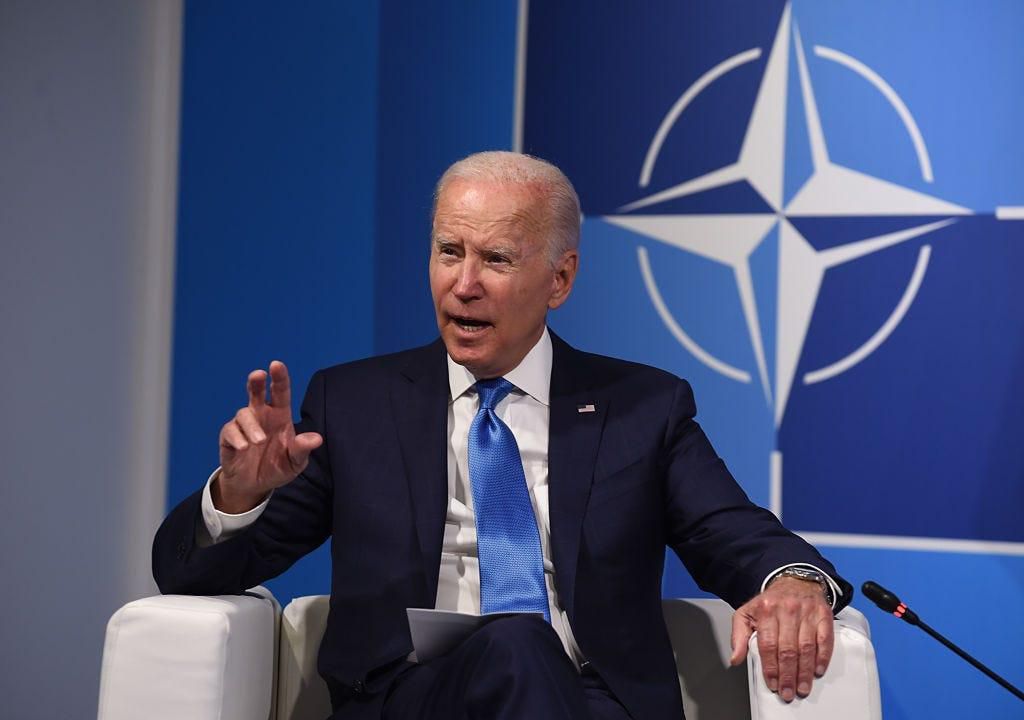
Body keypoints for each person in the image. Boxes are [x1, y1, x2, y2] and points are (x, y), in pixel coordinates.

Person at [154, 151, 852, 720]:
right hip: (408, 698)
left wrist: (792, 579)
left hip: (594, 701)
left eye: (496, 259)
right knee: (515, 642)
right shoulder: (353, 403)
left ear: (560, 279)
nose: (463, 285)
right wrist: (237, 497)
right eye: (448, 251)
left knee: (524, 650)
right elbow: (190, 573)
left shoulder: (642, 408)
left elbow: (728, 530)